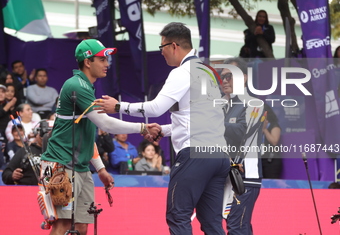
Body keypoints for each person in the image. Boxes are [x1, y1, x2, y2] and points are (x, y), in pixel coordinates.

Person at [94, 22, 230, 235]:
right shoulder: (210, 73)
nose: (161, 53)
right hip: (219, 156)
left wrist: (119, 106)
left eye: (162, 47)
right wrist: (163, 130)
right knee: (212, 222)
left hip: (195, 155)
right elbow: (202, 119)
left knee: (178, 215)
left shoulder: (182, 72)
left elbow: (156, 108)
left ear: (174, 46)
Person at [39, 39, 161, 235]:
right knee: (62, 225)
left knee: (81, 227)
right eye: (103, 59)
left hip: (79, 167)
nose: (107, 63)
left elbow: (87, 136)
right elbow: (106, 123)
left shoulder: (86, 86)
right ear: (88, 61)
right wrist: (142, 127)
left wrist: (101, 170)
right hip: (61, 165)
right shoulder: (77, 86)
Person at [221, 57, 264, 235]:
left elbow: (244, 134)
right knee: (239, 225)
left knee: (237, 226)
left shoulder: (254, 103)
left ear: (244, 78)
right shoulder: (221, 105)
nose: (224, 80)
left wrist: (216, 123)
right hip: (225, 174)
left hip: (245, 175)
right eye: (222, 76)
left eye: (229, 76)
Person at [261, 104, 282, 179]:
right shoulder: (256, 127)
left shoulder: (273, 125)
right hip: (260, 159)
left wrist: (264, 129)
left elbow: (274, 141)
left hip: (271, 160)